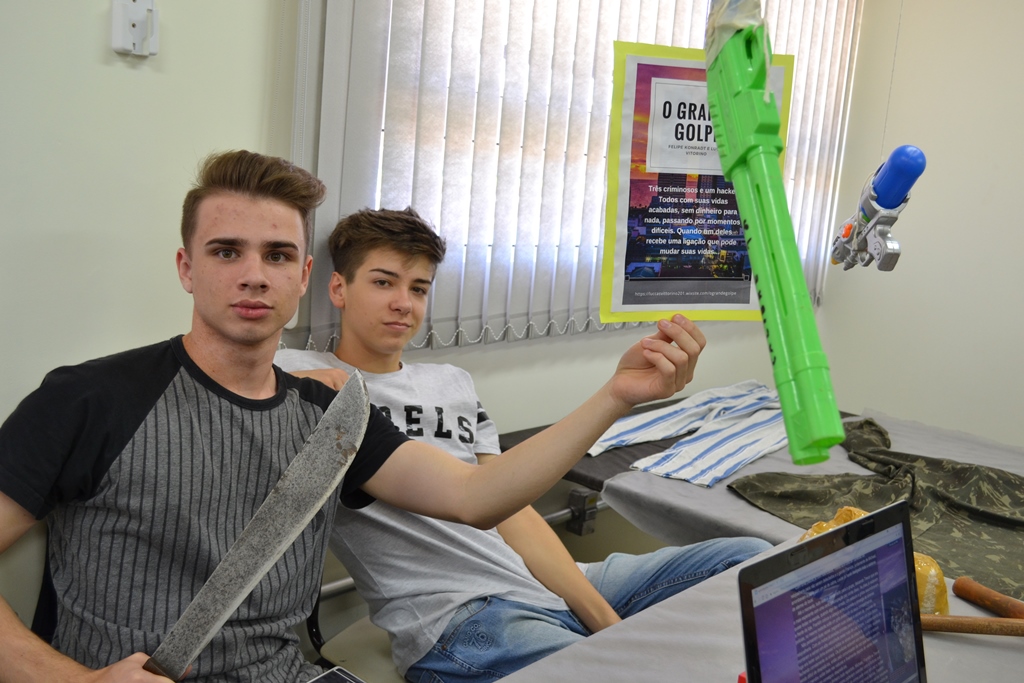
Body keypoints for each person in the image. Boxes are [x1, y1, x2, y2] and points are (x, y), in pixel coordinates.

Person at [0, 152, 706, 683]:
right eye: (226, 251)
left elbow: (476, 496)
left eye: (278, 255)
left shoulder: (331, 414)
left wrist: (616, 395)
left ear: (304, 276)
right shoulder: (89, 399)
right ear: (187, 267)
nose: (255, 274)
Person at [276, 207, 772, 683]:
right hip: (461, 617)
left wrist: (602, 620)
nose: (404, 303)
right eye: (383, 282)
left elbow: (510, 510)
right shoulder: (302, 380)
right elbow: (242, 375)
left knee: (750, 560)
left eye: (419, 288)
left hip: (542, 583)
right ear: (338, 288)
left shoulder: (452, 382)